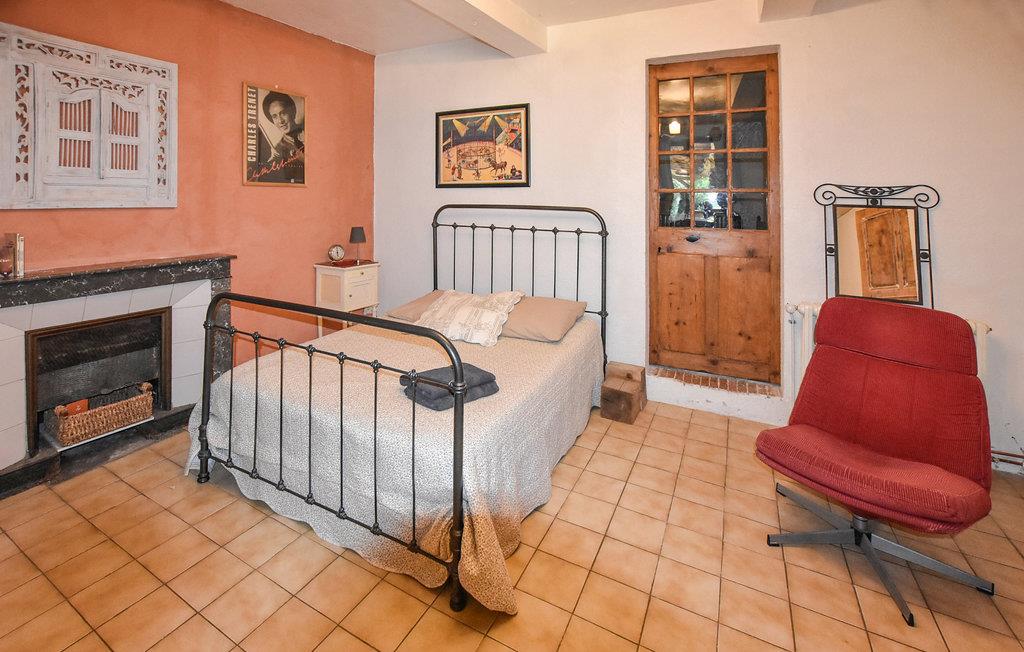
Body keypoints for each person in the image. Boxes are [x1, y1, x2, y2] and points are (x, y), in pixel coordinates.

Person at [262, 91, 305, 163]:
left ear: (293, 112)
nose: (280, 121)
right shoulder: (278, 150)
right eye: (275, 117)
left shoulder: (310, 131)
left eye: (283, 113)